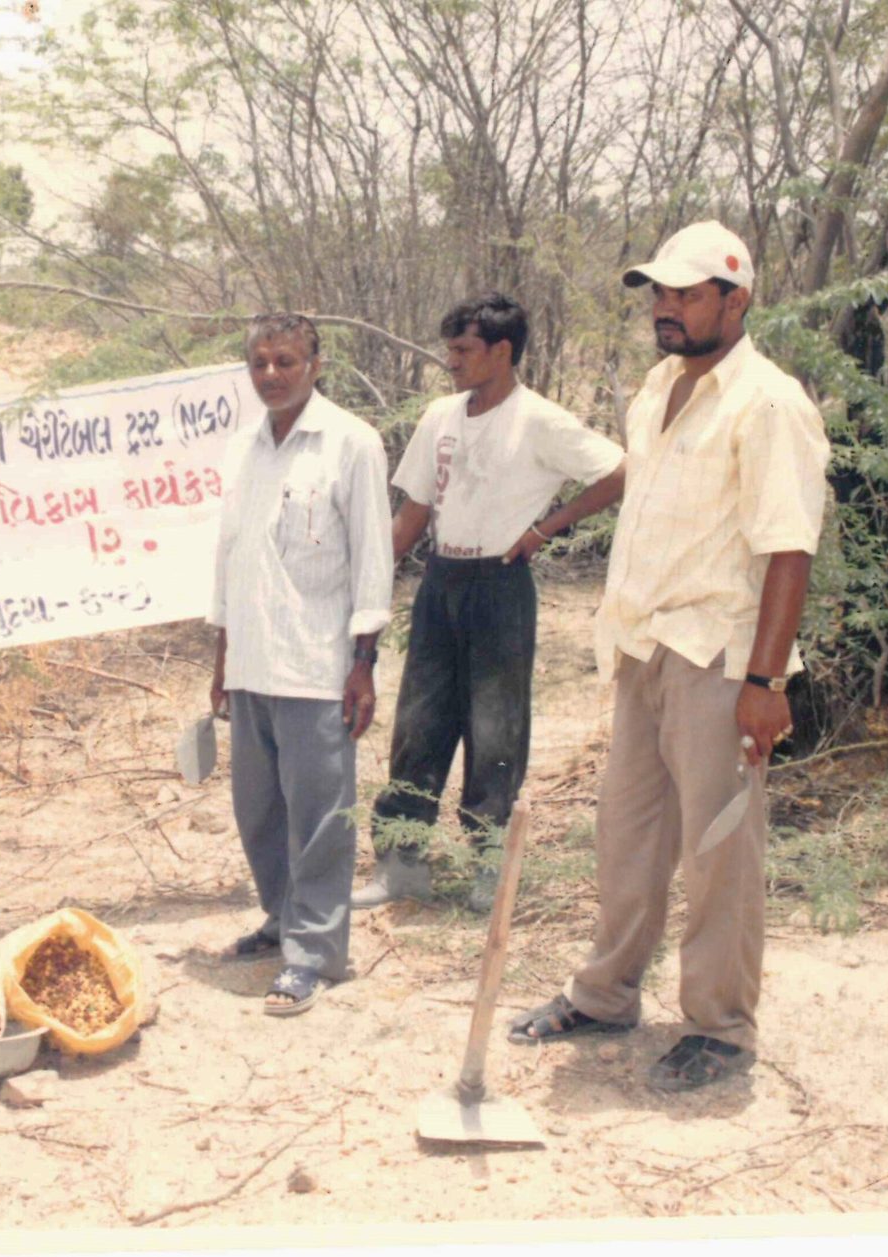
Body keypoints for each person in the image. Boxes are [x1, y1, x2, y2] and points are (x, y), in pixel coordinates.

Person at [507, 221, 830, 1092]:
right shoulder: (657, 387)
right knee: (629, 834)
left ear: (737, 297)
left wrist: (764, 681)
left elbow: (788, 549)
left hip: (718, 658)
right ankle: (606, 991)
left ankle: (721, 1029)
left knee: (720, 848)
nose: (667, 307)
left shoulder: (767, 402)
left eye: (687, 293)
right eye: (659, 291)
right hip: (643, 643)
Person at [357, 294, 625, 913]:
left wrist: (542, 530)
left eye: (463, 350)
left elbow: (617, 472)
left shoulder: (540, 419)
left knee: (495, 727)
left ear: (502, 352)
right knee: (419, 723)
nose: (451, 362)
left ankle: (488, 866)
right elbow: (415, 510)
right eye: (449, 349)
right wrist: (371, 587)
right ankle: (402, 861)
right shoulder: (440, 416)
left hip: (500, 582)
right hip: (441, 579)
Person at [208, 313, 395, 1015]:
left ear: (316, 363)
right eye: (259, 363)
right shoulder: (244, 448)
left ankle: (314, 951)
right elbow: (230, 555)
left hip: (319, 664)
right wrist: (222, 650)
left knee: (320, 815)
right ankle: (281, 916)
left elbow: (374, 559)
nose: (271, 375)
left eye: (285, 361)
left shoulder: (351, 443)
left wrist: (363, 661)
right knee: (258, 810)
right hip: (252, 659)